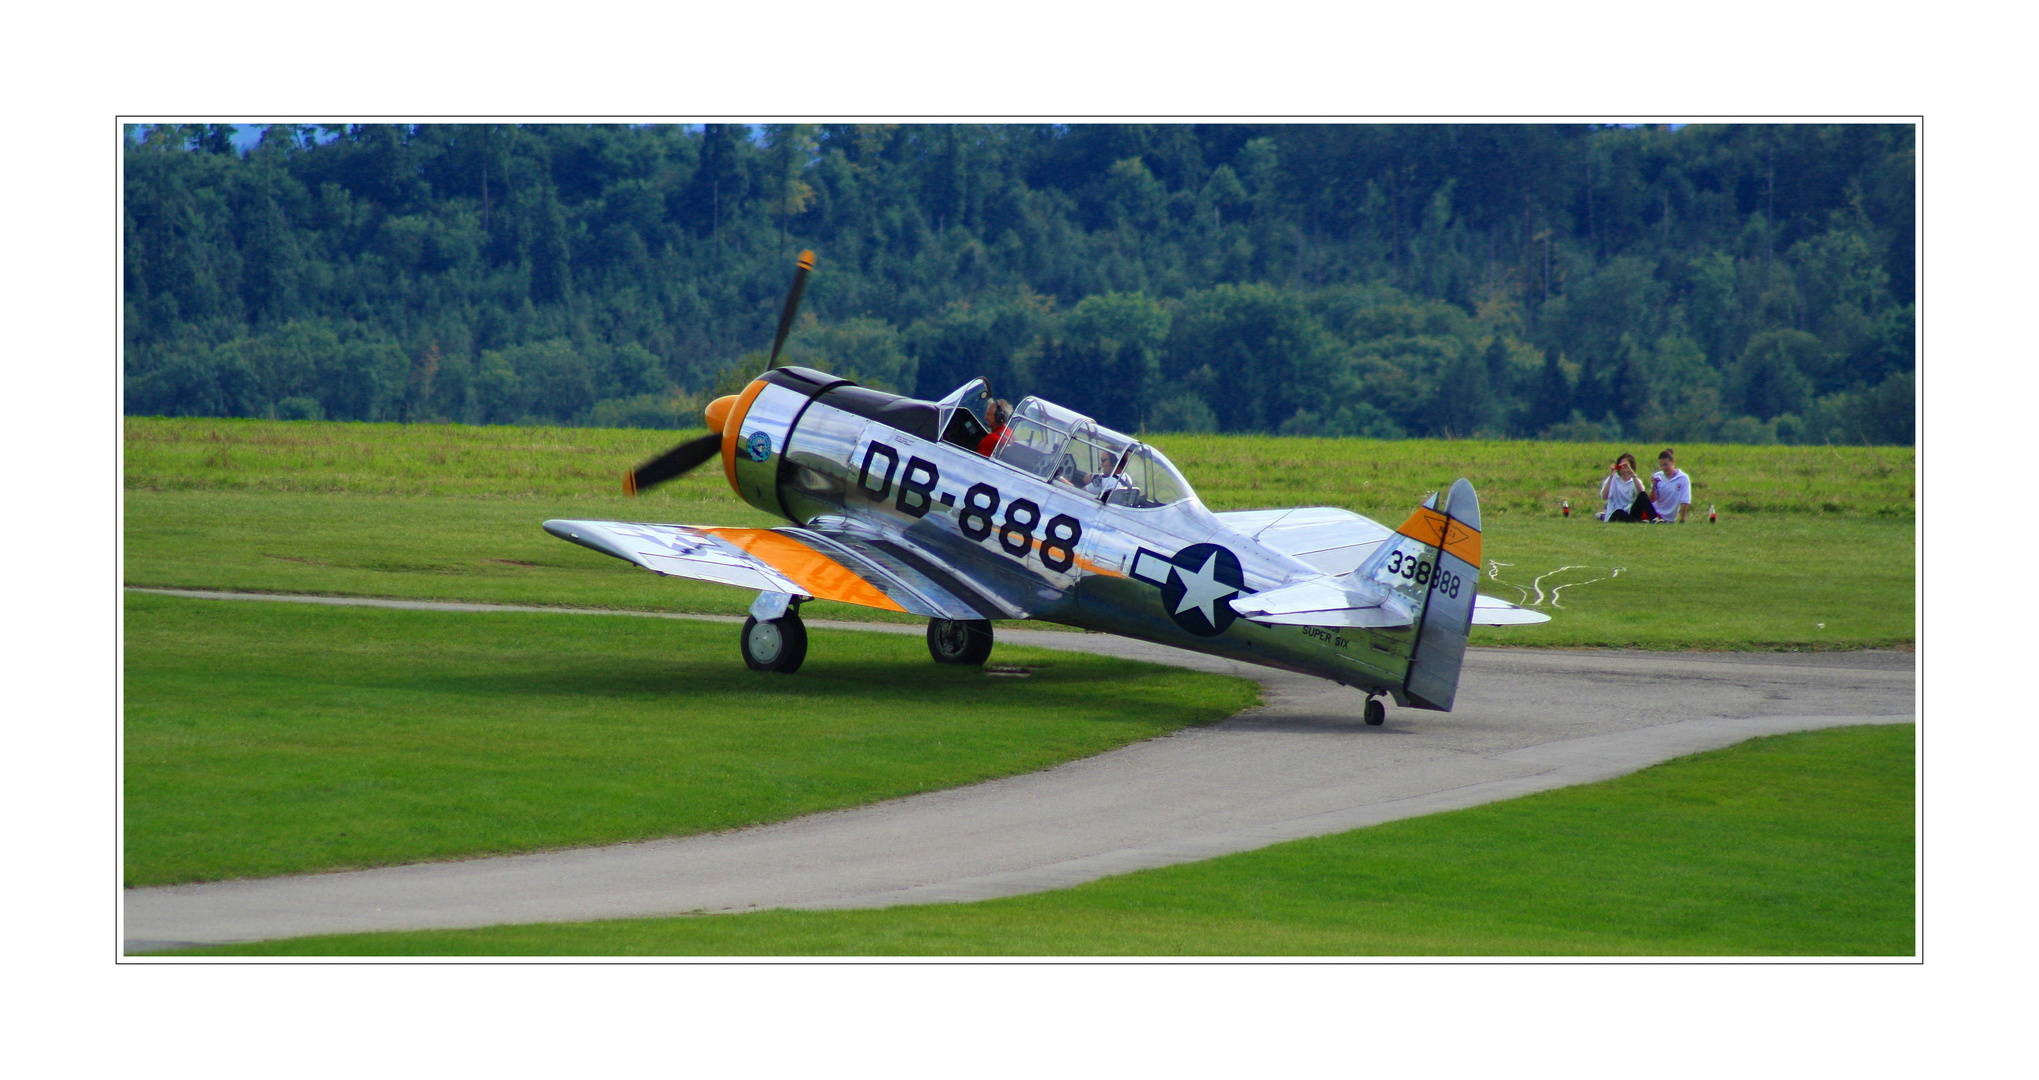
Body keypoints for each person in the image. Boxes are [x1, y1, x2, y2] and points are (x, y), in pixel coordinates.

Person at [1599, 452, 1654, 523]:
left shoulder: (1634, 480)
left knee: (1643, 495)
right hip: (1615, 513)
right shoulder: (1613, 479)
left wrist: (1632, 474)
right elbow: (1604, 496)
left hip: (1630, 512)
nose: (1623, 468)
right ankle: (1638, 521)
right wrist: (1611, 476)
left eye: (1626, 466)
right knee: (1619, 512)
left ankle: (1654, 518)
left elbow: (1641, 494)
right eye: (1621, 466)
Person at [1651, 448, 1692, 524]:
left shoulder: (1683, 478)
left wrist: (1682, 520)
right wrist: (1653, 487)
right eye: (1661, 465)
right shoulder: (1657, 476)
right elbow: (1652, 500)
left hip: (1669, 517)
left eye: (1666, 465)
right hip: (1654, 512)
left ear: (1673, 462)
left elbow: (1685, 500)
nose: (1663, 468)